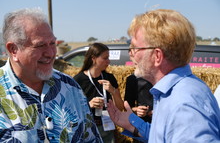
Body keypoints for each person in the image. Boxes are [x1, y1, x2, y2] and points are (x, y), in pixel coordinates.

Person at [107, 9, 220, 142]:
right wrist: (132, 124)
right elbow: (164, 137)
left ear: (157, 56)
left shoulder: (184, 105)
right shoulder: (171, 93)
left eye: (135, 48)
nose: (131, 53)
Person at [0, 8, 102, 143]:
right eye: (40, 45)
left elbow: (91, 139)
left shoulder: (70, 87)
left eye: (52, 43)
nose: (50, 53)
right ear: (14, 50)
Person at [74, 42, 124, 143]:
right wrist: (89, 105)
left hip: (106, 127)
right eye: (105, 58)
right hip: (87, 128)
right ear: (93, 58)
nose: (108, 61)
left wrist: (113, 91)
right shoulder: (78, 80)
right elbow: (72, 109)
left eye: (108, 58)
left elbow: (120, 107)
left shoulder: (109, 78)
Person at [124, 49, 153, 125]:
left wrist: (157, 111)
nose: (132, 59)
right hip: (142, 124)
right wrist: (137, 110)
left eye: (134, 55)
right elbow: (128, 105)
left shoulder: (162, 76)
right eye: (131, 56)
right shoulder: (132, 79)